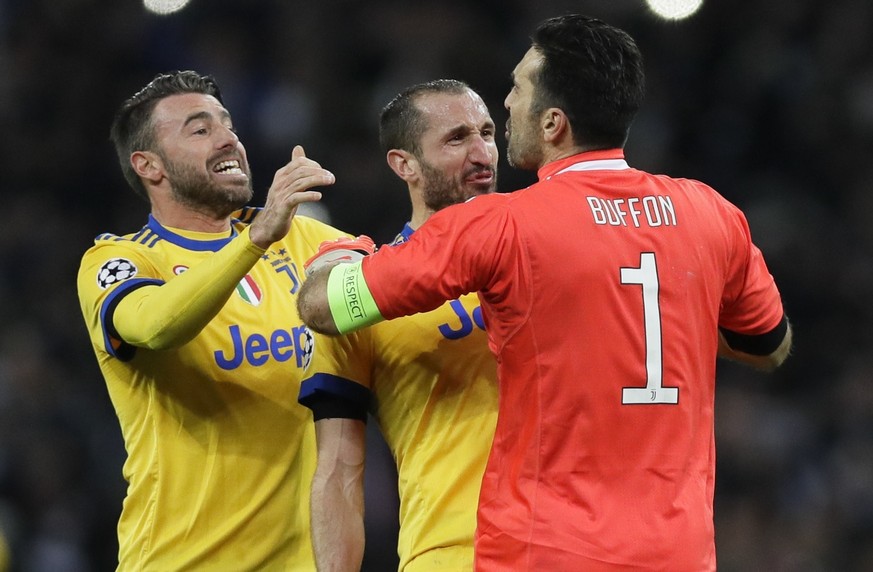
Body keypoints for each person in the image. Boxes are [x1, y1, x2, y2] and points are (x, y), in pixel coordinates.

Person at [297, 14, 793, 571]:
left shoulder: (503, 229)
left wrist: (332, 256)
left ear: (553, 122)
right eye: (459, 135)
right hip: (677, 550)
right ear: (402, 164)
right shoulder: (710, 213)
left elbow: (325, 305)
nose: (506, 107)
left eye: (516, 91)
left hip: (544, 548)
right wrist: (675, 311)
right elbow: (769, 345)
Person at [76, 70, 350, 570]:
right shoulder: (121, 261)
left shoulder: (301, 239)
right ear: (149, 166)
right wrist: (256, 239)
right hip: (179, 560)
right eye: (200, 130)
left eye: (229, 126)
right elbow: (156, 325)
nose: (229, 139)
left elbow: (400, 286)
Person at [297, 79, 500, 571]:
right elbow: (340, 469)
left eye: (488, 133)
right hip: (454, 552)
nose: (482, 154)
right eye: (456, 139)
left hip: (576, 544)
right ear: (403, 164)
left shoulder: (543, 249)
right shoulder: (361, 288)